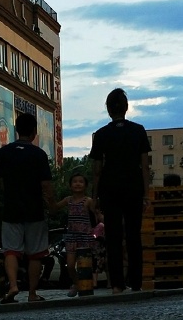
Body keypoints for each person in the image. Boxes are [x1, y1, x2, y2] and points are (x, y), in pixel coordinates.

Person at [90, 88, 151, 293]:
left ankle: (117, 284)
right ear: (126, 108)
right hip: (134, 187)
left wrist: (95, 195)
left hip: (110, 189)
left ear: (108, 110)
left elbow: (97, 169)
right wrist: (146, 194)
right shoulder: (138, 131)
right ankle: (136, 282)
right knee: (134, 235)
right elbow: (145, 166)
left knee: (114, 236)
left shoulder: (101, 135)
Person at [0, 112, 55, 303]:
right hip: (34, 209)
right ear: (35, 132)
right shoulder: (39, 154)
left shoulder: (4, 152)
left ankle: (13, 285)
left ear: (16, 130)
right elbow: (46, 185)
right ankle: (32, 293)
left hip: (11, 208)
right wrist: (51, 204)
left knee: (11, 251)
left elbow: (1, 181)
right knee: (35, 254)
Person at [56, 172, 100, 297]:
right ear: (70, 185)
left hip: (85, 237)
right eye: (75, 181)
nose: (78, 184)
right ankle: (76, 283)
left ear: (85, 186)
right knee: (69, 265)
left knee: (85, 266)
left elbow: (96, 214)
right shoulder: (68, 200)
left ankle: (84, 286)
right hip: (71, 236)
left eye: (81, 181)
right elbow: (55, 208)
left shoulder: (88, 201)